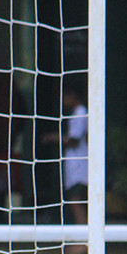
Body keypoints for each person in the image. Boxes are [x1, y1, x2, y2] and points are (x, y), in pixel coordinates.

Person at [43, 80, 88, 228]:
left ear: (72, 95)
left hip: (80, 165)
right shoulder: (77, 113)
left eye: (65, 96)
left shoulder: (81, 113)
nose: (63, 100)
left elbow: (74, 140)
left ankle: (82, 239)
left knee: (76, 200)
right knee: (75, 200)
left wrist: (52, 137)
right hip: (75, 165)